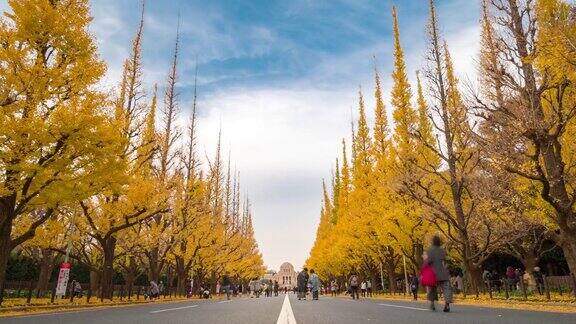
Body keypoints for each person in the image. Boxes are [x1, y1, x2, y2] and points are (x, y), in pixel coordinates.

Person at [426, 235, 452, 312]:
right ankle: (447, 304)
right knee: (446, 288)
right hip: (443, 273)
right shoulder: (443, 251)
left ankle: (432, 304)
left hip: (433, 273)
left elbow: (428, 262)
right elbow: (447, 261)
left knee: (432, 289)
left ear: (432, 242)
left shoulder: (430, 251)